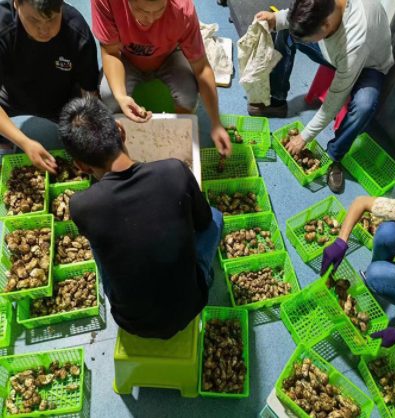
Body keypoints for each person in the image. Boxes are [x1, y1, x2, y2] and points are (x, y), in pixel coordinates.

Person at [58, 96, 223, 339]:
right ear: (122, 131)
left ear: (81, 166)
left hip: (131, 322)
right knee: (217, 218)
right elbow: (204, 223)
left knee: (97, 239)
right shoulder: (174, 170)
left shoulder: (81, 205)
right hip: (191, 304)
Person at [252, 0, 394, 193]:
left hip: (368, 64)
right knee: (288, 31)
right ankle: (277, 100)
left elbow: (335, 98)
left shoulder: (354, 41)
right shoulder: (324, 12)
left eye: (311, 38)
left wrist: (306, 136)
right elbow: (304, 15)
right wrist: (276, 18)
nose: (309, 42)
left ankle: (335, 156)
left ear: (326, 26)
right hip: (334, 49)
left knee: (364, 106)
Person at [91, 0, 232, 156]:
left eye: (159, 10)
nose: (151, 20)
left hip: (169, 55)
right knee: (109, 95)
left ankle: (179, 137)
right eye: (141, 10)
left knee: (188, 95)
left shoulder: (183, 9)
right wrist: (121, 96)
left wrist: (216, 123)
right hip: (125, 57)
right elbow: (110, 52)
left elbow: (202, 68)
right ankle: (125, 141)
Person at [321, 196, 395, 347]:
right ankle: (381, 275)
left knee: (376, 275)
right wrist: (341, 242)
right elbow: (361, 202)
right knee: (386, 232)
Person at [0, 0, 99, 172]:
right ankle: (5, 141)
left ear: (61, 6)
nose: (44, 31)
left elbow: (89, 93)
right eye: (34, 21)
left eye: (52, 20)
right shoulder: (3, 26)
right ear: (17, 4)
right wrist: (24, 142)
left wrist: (91, 130)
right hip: (12, 95)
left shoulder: (76, 30)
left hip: (62, 100)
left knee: (90, 140)